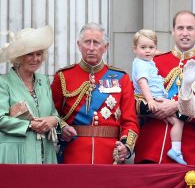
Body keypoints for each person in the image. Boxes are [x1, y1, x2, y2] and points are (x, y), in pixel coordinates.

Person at [134, 10, 195, 165]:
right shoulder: (154, 62)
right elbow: (135, 99)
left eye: (190, 28)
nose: (184, 33)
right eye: (180, 28)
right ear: (172, 31)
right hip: (151, 147)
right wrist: (155, 109)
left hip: (188, 150)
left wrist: (177, 106)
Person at [51, 22, 139, 164]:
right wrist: (63, 128)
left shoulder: (121, 78)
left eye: (96, 43)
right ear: (79, 45)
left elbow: (130, 121)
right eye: (87, 42)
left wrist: (126, 146)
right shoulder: (63, 76)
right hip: (73, 154)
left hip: (109, 156)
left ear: (105, 47)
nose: (91, 48)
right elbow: (51, 113)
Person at [0, 25, 60, 163]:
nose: (35, 59)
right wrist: (30, 125)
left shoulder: (43, 81)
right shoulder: (4, 83)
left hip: (45, 152)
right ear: (18, 57)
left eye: (38, 54)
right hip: (16, 155)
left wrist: (54, 120)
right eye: (30, 54)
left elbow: (54, 113)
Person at [131, 29, 186, 164]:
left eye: (151, 48)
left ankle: (176, 149)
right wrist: (149, 100)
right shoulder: (141, 63)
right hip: (150, 100)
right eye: (143, 48)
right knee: (178, 119)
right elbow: (142, 82)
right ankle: (176, 149)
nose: (148, 51)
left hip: (156, 98)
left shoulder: (149, 60)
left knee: (178, 120)